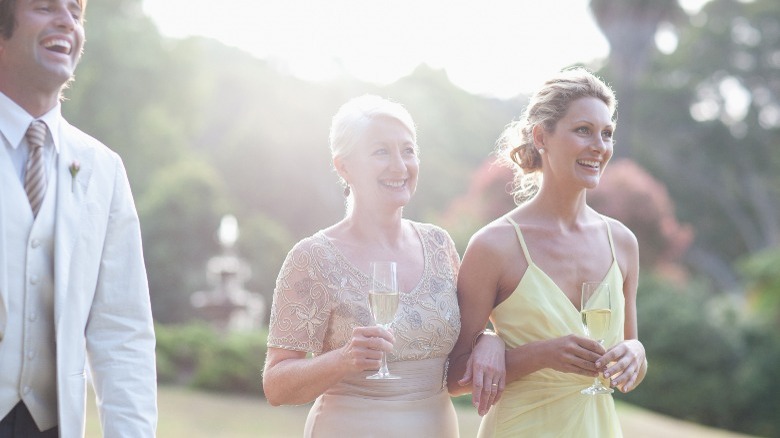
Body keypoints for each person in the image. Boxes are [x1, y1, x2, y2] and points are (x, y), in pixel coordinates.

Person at [264, 94, 500, 437]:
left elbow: (459, 362)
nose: (399, 166)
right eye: (381, 152)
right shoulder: (312, 257)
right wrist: (343, 359)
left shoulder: (439, 245)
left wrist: (490, 340)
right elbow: (275, 386)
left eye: (408, 150)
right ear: (344, 166)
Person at [447, 68, 647, 437]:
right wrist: (536, 353)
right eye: (583, 130)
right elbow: (454, 378)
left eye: (607, 134)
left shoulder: (622, 242)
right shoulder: (494, 245)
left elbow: (626, 367)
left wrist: (637, 353)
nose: (599, 146)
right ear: (541, 137)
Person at [0, 0, 157, 436]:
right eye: (45, 7)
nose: (66, 21)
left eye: (75, 11)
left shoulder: (103, 169)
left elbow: (123, 331)